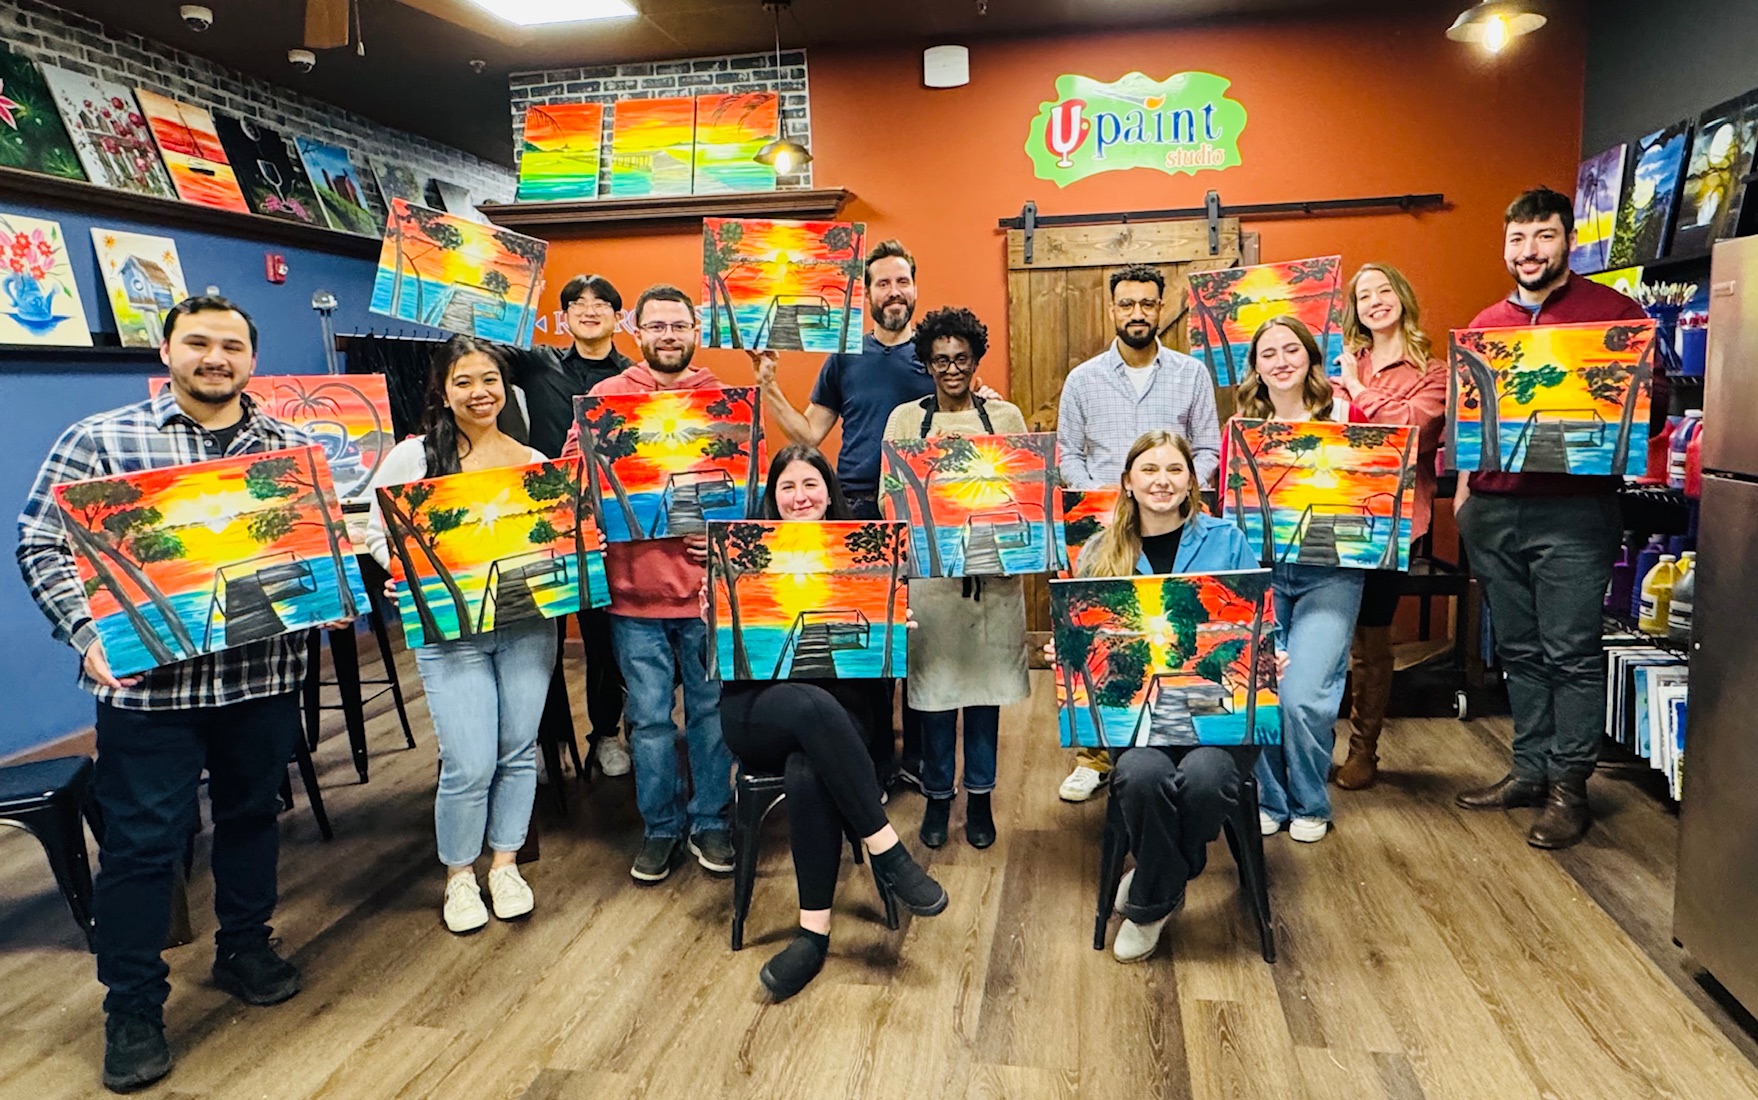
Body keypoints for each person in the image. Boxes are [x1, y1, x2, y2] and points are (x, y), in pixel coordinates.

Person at [16, 296, 326, 1093]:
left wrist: (331, 581)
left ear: (252, 359)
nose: (215, 357)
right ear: (167, 351)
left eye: (231, 345)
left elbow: (315, 548)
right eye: (198, 342)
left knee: (253, 817)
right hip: (150, 692)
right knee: (142, 847)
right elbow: (40, 540)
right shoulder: (101, 440)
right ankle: (132, 1006)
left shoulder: (290, 448)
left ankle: (245, 946)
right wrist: (84, 633)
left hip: (260, 678)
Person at [714, 445, 949, 1001]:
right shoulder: (743, 554)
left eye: (810, 484)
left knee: (808, 766)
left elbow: (876, 669)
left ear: (829, 492)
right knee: (808, 708)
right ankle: (888, 851)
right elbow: (727, 658)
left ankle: (812, 934)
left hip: (844, 719)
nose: (800, 497)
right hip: (755, 711)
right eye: (788, 487)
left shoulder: (865, 555)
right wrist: (715, 616)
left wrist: (893, 630)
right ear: (772, 497)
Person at [1452, 187, 1647, 849]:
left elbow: (1646, 408)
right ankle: (1529, 771)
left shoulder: (1613, 316)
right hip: (1494, 508)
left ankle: (1570, 787)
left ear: (1568, 240)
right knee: (1518, 649)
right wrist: (1465, 494)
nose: (1529, 251)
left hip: (1573, 513)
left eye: (1543, 236)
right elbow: (1470, 420)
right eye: (1518, 239)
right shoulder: (1487, 325)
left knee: (1571, 652)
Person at [365, 336, 554, 935]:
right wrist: (400, 570)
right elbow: (376, 531)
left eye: (489, 380)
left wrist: (578, 547)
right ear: (443, 392)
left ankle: (505, 864)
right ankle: (459, 875)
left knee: (518, 751)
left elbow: (551, 537)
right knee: (469, 762)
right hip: (451, 634)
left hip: (528, 625)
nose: (479, 393)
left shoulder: (531, 460)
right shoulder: (413, 458)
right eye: (464, 382)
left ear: (507, 389)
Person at [1051, 430, 1261, 961]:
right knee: (1141, 776)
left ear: (1191, 481)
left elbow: (1256, 622)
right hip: (1136, 715)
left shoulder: (1227, 540)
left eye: (1174, 469)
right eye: (1149, 470)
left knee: (1208, 777)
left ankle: (1149, 894)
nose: (1161, 481)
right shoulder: (1100, 550)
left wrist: (1269, 652)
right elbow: (1085, 636)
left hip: (1218, 710)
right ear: (1127, 482)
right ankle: (1170, 875)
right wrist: (1067, 650)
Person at [564, 284, 736, 881]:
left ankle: (711, 820)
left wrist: (724, 534)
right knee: (651, 719)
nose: (668, 336)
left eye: (678, 325)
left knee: (710, 714)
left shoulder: (722, 399)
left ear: (696, 330)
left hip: (707, 592)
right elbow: (573, 478)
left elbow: (750, 488)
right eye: (657, 325)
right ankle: (661, 828)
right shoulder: (606, 398)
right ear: (636, 330)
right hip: (633, 593)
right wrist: (590, 514)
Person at [753, 240, 936, 789]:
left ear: (915, 287)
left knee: (917, 638)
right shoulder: (844, 357)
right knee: (868, 645)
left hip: (921, 512)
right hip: (855, 509)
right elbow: (810, 432)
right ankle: (873, 762)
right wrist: (768, 385)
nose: (894, 292)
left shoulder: (937, 355)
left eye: (902, 281)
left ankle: (920, 762)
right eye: (882, 283)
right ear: (867, 293)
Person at [1055, 263, 1224, 804]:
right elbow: (1067, 453)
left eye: (1147, 304)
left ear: (1160, 308)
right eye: (1126, 303)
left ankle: (1179, 735)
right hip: (1104, 532)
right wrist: (1104, 501)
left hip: (1174, 522)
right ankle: (1095, 756)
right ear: (1112, 309)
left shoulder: (1190, 374)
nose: (1137, 313)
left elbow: (1208, 448)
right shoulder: (1082, 379)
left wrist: (1177, 488)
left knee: (1171, 629)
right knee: (1106, 637)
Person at [881, 306, 1031, 850]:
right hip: (932, 585)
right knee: (935, 696)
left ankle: (981, 799)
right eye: (941, 359)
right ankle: (938, 798)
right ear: (926, 363)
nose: (952, 369)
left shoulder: (1005, 418)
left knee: (985, 697)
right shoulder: (904, 422)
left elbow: (1030, 490)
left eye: (961, 358)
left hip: (994, 584)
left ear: (975, 360)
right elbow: (887, 498)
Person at [1236, 316, 1365, 843]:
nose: (1281, 361)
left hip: (1330, 573)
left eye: (1291, 349)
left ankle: (1311, 802)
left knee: (1304, 695)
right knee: (1262, 687)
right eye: (1268, 354)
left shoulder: (1344, 415)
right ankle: (1270, 798)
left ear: (1311, 357)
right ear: (1256, 368)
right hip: (1262, 570)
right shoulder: (1242, 426)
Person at [506, 273, 632, 778]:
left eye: (601, 302)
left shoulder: (632, 378)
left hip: (610, 521)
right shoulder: (536, 363)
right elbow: (476, 345)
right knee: (542, 639)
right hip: (547, 518)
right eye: (577, 302)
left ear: (618, 316)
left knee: (605, 638)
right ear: (563, 317)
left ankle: (606, 733)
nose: (589, 309)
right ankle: (549, 740)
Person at [1330, 264, 1448, 789]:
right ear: (1354, 309)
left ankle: (1364, 750)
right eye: (1364, 296)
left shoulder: (1434, 371)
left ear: (1402, 298)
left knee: (1370, 638)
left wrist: (1356, 390)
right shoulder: (1339, 362)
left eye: (1384, 291)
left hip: (1395, 520)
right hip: (1331, 513)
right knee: (1321, 630)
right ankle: (1311, 746)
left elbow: (1412, 430)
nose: (1375, 301)